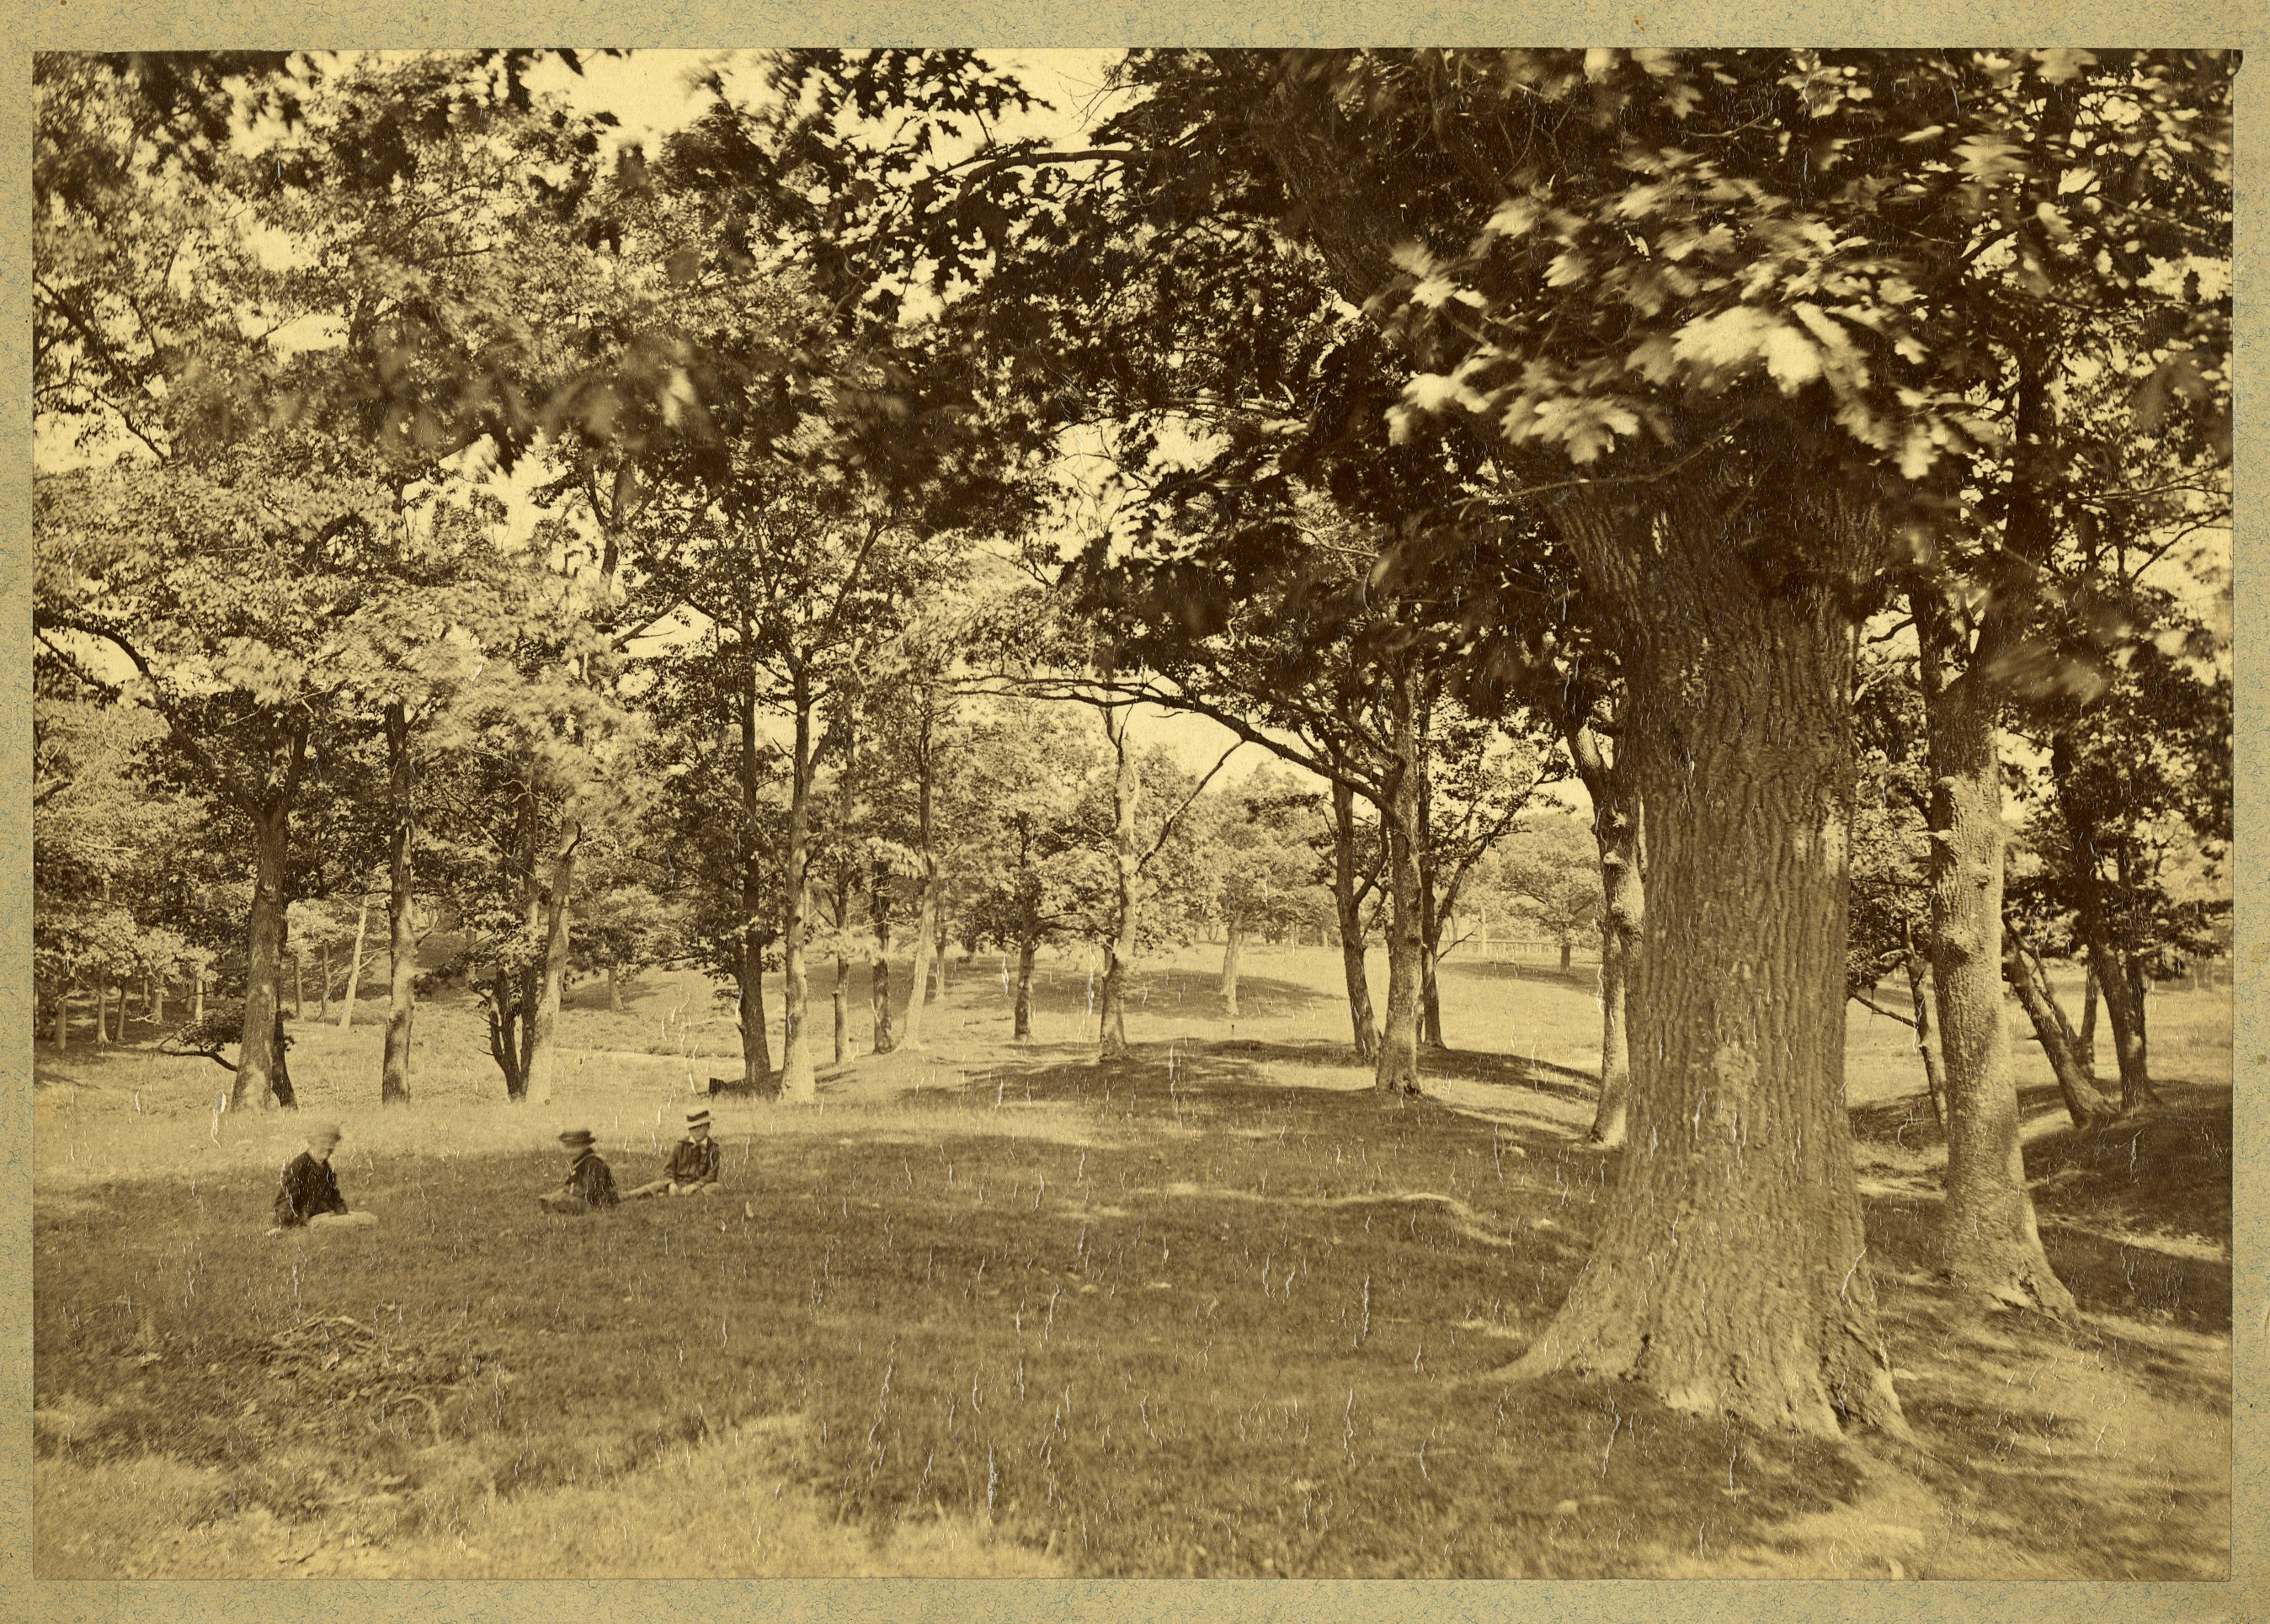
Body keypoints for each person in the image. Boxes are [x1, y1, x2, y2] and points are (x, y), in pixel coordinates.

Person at [267, 1122, 378, 1234]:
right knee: (362, 1222)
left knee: (370, 1218)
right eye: (323, 1142)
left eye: (332, 1144)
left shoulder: (324, 1166)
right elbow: (285, 1199)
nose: (328, 1147)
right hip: (309, 1220)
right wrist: (288, 1226)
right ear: (312, 1142)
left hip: (326, 1215)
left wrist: (343, 1212)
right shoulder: (300, 1165)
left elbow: (333, 1196)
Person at [626, 1106, 722, 1200]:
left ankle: (673, 1196)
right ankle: (625, 1196)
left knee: (716, 1187)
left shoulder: (713, 1149)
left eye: (701, 1127)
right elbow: (668, 1169)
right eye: (693, 1128)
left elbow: (711, 1175)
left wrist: (694, 1186)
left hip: (697, 1186)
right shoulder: (680, 1146)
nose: (697, 1131)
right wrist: (671, 1183)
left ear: (708, 1126)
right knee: (654, 1186)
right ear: (689, 1129)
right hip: (676, 1184)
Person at [538, 1127, 619, 1213]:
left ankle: (559, 1207)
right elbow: (571, 1184)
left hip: (596, 1202)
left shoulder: (593, 1163)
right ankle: (556, 1206)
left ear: (586, 1145)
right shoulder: (581, 1161)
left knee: (560, 1200)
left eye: (574, 1147)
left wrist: (568, 1194)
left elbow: (590, 1192)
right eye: (567, 1147)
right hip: (582, 1197)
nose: (570, 1151)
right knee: (551, 1198)